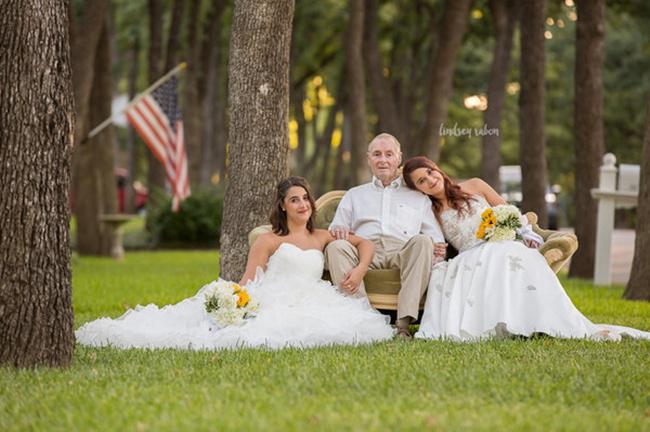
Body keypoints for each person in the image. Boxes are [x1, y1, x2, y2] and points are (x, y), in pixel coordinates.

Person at [75, 177, 394, 350]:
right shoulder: (269, 239)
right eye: (294, 199)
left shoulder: (323, 236)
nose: (303, 204)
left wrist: (360, 268)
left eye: (305, 198)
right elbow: (249, 280)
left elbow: (365, 243)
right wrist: (236, 302)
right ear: (283, 206)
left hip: (313, 297)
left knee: (350, 328)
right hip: (276, 297)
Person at [402, 156, 650, 341]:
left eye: (430, 173)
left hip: (500, 242)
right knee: (488, 259)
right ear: (419, 189)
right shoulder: (430, 210)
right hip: (468, 254)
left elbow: (508, 211)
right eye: (422, 181)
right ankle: (505, 326)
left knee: (516, 254)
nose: (430, 181)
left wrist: (524, 232)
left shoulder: (475, 185)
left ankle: (541, 321)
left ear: (437, 169)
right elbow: (437, 241)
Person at [326, 133, 446, 339]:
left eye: (389, 154)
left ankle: (403, 325)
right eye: (377, 154)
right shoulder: (355, 195)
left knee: (423, 241)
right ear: (368, 159)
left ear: (398, 158)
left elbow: (435, 237)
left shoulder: (418, 196)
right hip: (364, 252)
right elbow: (337, 227)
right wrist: (339, 230)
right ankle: (365, 318)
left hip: (402, 252)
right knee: (335, 247)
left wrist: (437, 249)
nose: (383, 160)